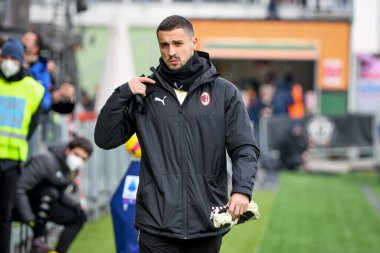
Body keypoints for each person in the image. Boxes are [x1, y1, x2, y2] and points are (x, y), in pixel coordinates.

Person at [95, 15, 260, 252]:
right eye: (164, 45)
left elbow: (244, 147)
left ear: (194, 43)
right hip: (156, 225)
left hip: (206, 220)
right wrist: (122, 93)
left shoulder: (225, 93)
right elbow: (105, 138)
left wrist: (242, 190)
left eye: (178, 44)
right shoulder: (145, 92)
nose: (171, 51)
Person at [0, 38, 44, 253]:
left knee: (4, 216)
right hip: (11, 160)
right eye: (4, 57)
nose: (7, 62)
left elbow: (31, 127)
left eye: (12, 58)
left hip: (12, 162)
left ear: (20, 61)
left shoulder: (33, 90)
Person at [15, 136, 93, 253]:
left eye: (83, 159)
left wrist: (76, 206)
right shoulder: (45, 160)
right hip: (21, 206)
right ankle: (38, 240)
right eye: (77, 155)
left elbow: (60, 192)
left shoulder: (73, 168)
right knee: (50, 193)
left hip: (47, 204)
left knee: (79, 216)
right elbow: (19, 189)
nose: (79, 160)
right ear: (68, 149)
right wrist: (29, 218)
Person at [22, 31, 76, 114]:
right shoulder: (13, 63)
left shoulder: (46, 70)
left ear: (35, 48)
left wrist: (70, 99)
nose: (22, 41)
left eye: (27, 39)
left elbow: (58, 104)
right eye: (23, 38)